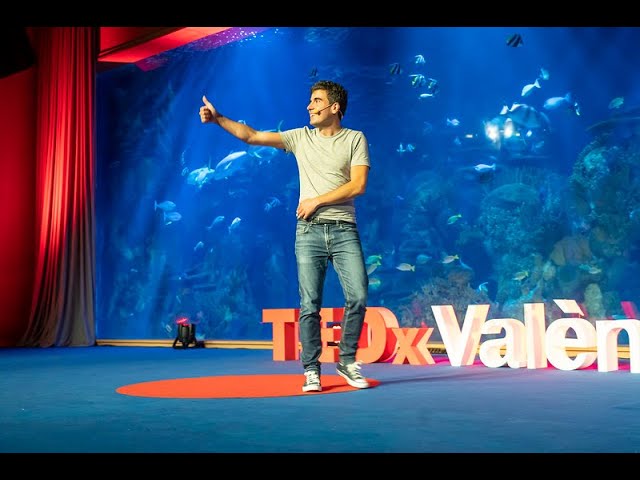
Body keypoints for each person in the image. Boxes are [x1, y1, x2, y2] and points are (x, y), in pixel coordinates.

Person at [199, 80, 371, 392]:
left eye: (316, 101)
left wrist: (317, 200)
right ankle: (312, 370)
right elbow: (252, 136)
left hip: (344, 229)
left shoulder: (354, 139)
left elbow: (358, 185)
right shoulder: (299, 137)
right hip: (309, 232)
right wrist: (218, 118)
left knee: (358, 296)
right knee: (310, 304)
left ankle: (346, 361)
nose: (309, 106)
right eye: (310, 101)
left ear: (335, 107)